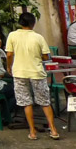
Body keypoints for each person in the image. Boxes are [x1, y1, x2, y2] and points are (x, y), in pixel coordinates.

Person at [6, 12, 60, 140]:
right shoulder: (38, 37)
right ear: (33, 23)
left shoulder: (12, 35)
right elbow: (46, 56)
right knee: (45, 101)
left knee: (26, 102)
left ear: (20, 23)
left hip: (19, 72)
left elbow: (9, 54)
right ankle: (53, 129)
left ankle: (32, 131)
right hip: (36, 72)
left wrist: (9, 66)